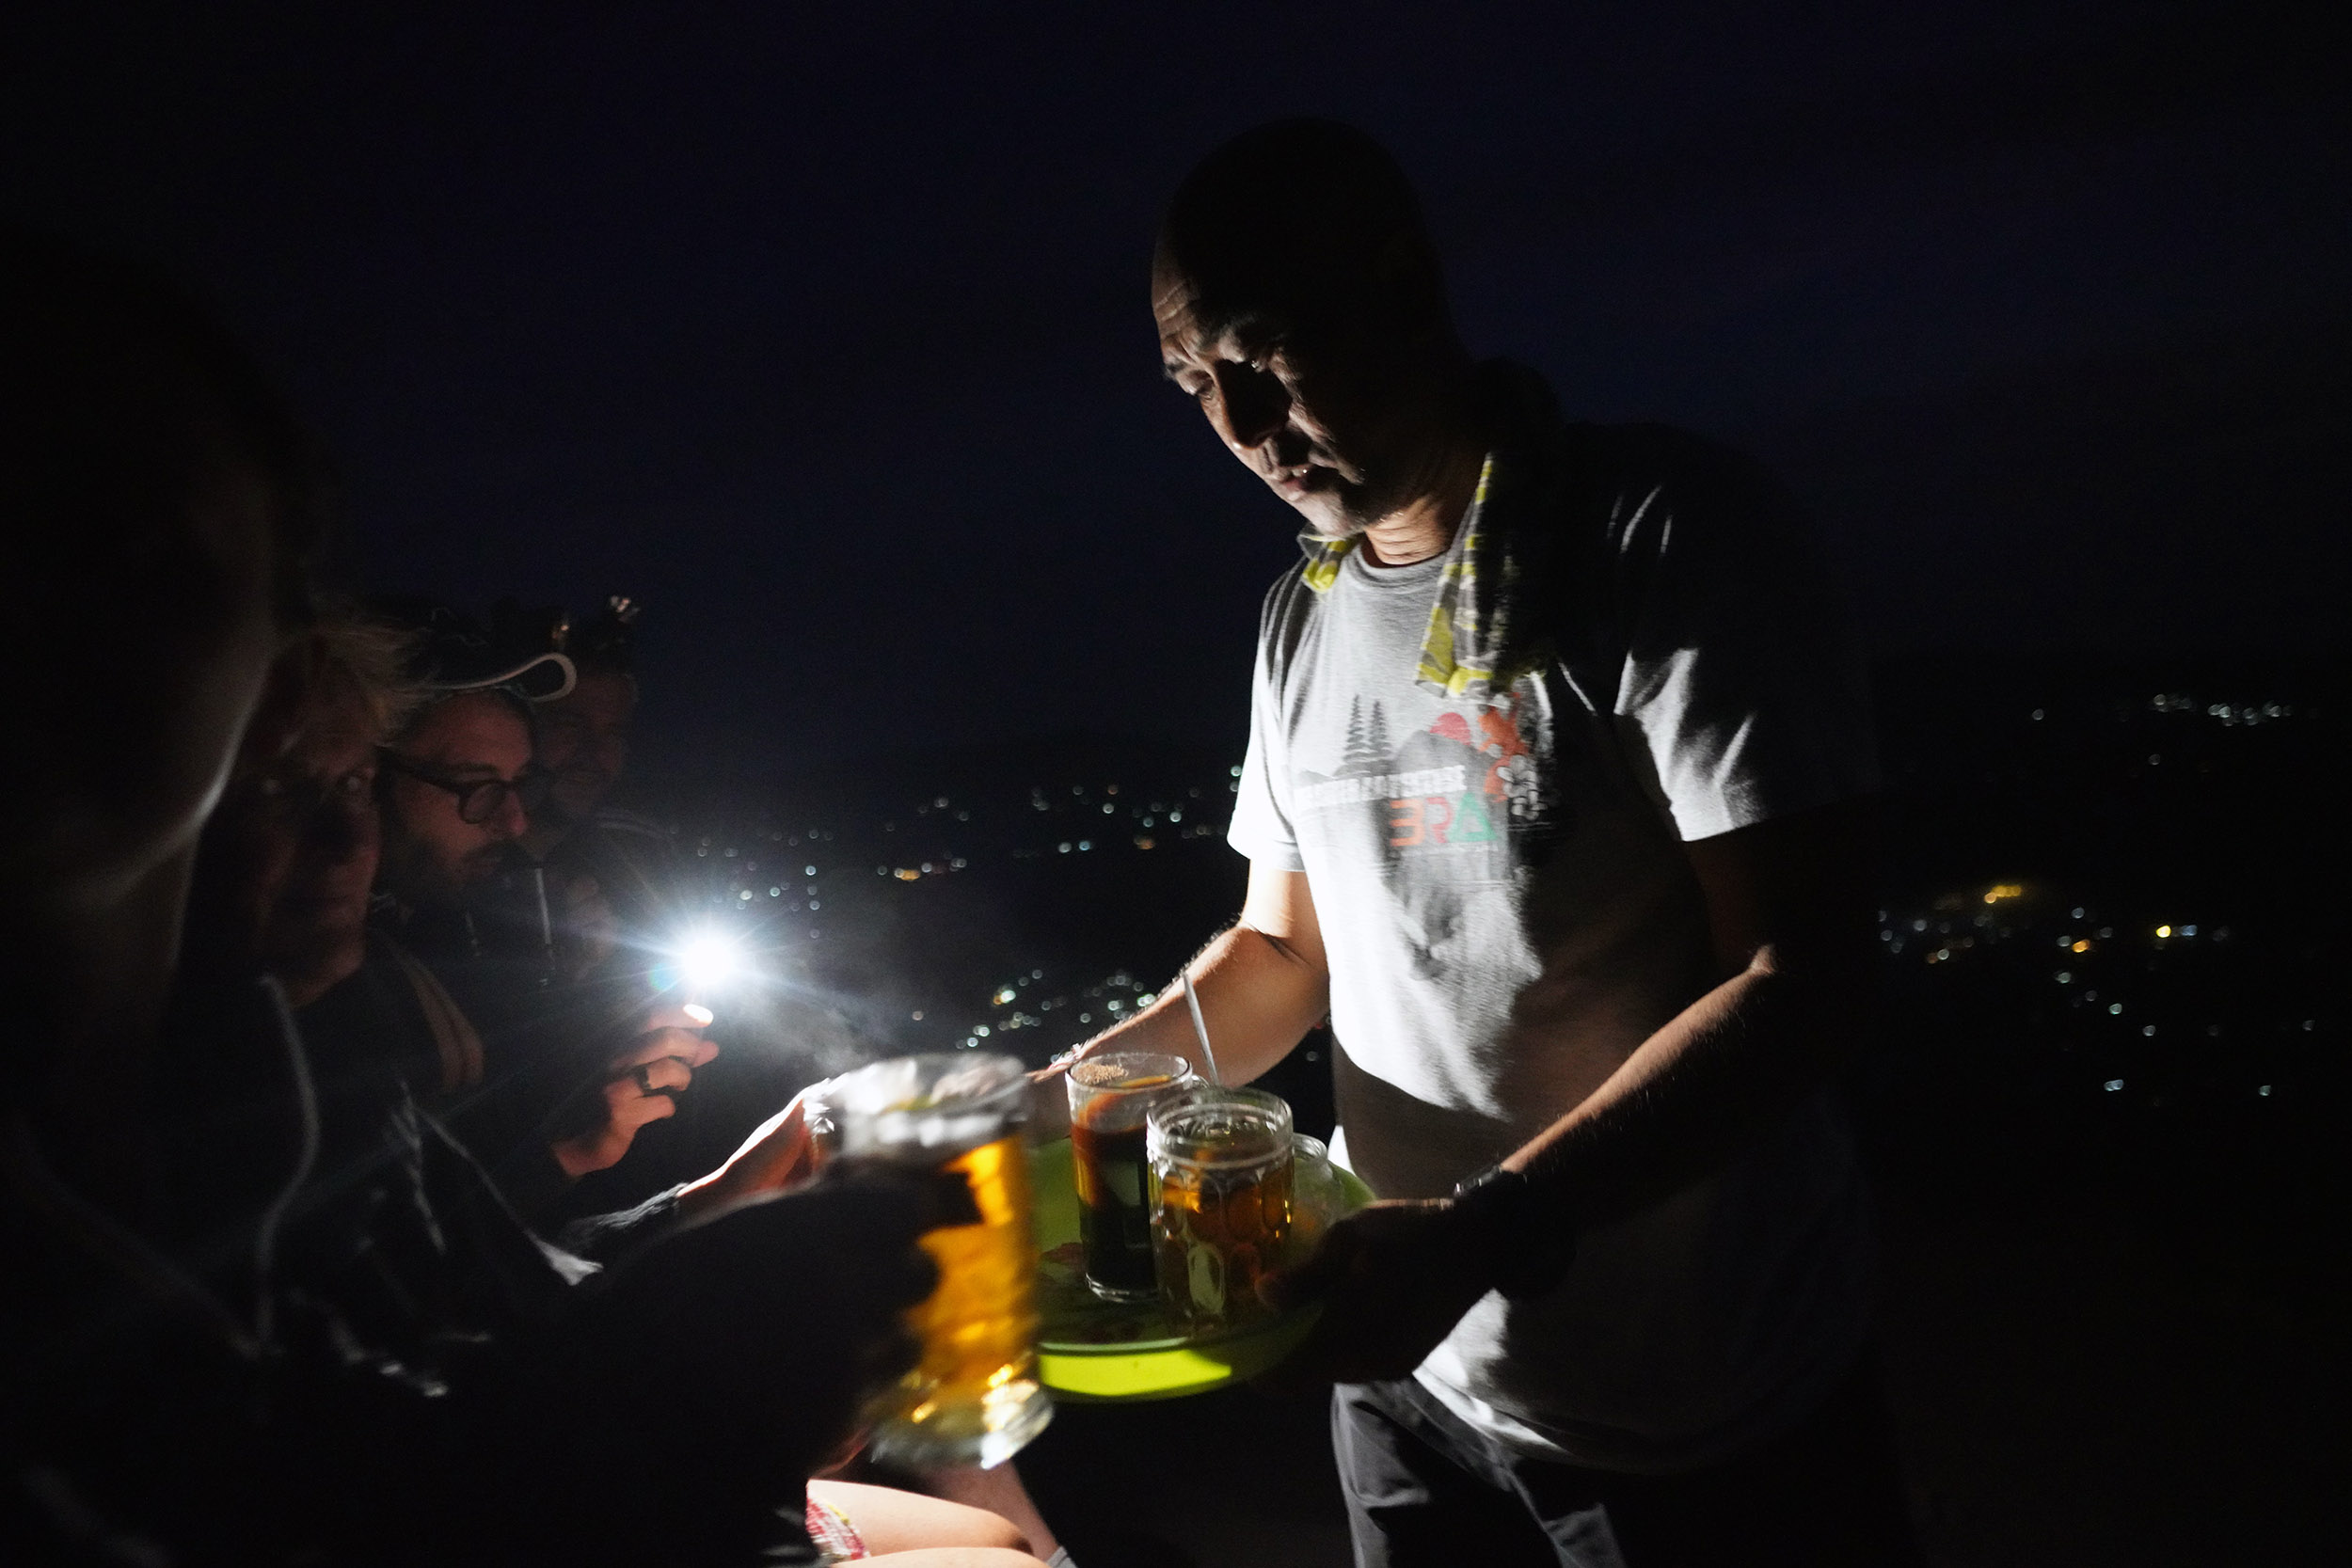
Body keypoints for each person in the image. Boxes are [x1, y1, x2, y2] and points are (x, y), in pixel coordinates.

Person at [0, 227, 1025, 1568]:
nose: (332, 842)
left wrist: (704, 1212)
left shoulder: (277, 1039)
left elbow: (338, 1414)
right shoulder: (245, 1071)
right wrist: (686, 1365)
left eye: (347, 789)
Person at [1066, 121, 1916, 1566]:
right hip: (1408, 1374)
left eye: (1265, 352)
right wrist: (1050, 1101)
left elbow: (1803, 969)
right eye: (1195, 384)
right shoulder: (1304, 616)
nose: (1244, 422)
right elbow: (1283, 950)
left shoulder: (1660, 533)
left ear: (1403, 286)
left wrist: (1490, 1229)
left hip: (1700, 1403)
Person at [368, 611, 716, 1214]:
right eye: (569, 724)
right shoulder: (352, 937)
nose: (513, 821)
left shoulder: (636, 861)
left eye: (615, 732)